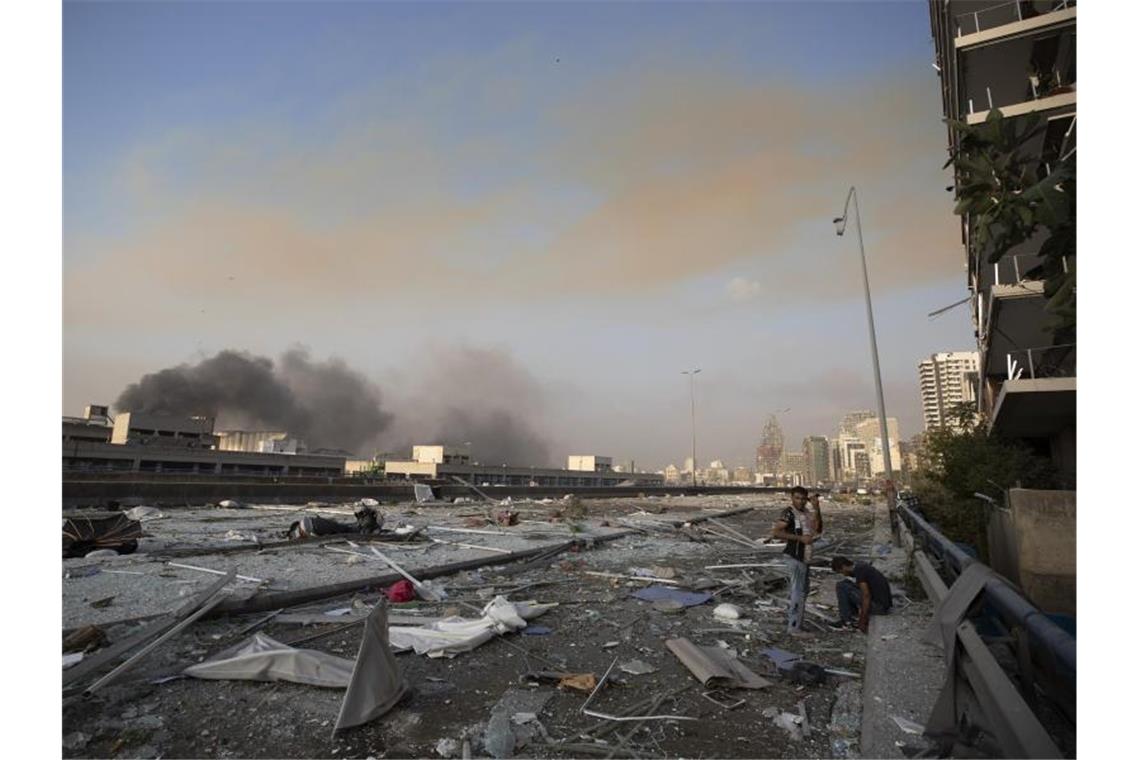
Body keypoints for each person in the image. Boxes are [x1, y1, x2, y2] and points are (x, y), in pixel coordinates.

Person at [772, 485, 819, 635]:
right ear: (792, 498)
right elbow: (776, 533)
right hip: (794, 556)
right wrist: (799, 538)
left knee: (803, 592)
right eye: (797, 498)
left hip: (805, 558)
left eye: (803, 499)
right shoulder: (788, 513)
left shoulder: (806, 512)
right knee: (797, 592)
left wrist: (817, 508)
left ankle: (798, 623)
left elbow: (818, 529)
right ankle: (793, 627)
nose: (800, 501)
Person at [829, 556, 892, 632]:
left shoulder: (860, 571)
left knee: (842, 586)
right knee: (845, 583)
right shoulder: (860, 566)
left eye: (841, 571)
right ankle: (851, 616)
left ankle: (846, 621)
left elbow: (866, 595)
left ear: (844, 566)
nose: (844, 574)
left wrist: (863, 619)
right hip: (882, 604)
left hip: (879, 607)